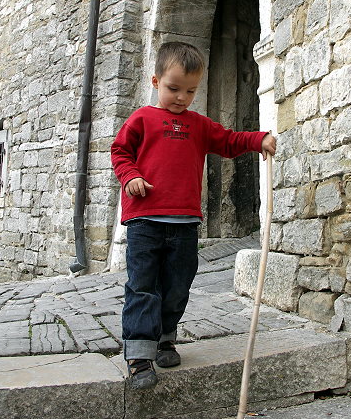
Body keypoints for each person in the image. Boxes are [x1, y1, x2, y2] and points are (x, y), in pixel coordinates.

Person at [111, 41, 276, 390]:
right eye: (173, 88)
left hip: (185, 224)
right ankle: (139, 355)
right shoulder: (142, 118)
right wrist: (131, 176)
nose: (182, 97)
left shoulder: (198, 125)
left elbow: (229, 141)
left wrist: (258, 139)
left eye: (190, 91)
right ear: (156, 82)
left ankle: (166, 338)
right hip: (144, 221)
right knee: (143, 286)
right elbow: (120, 151)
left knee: (178, 285)